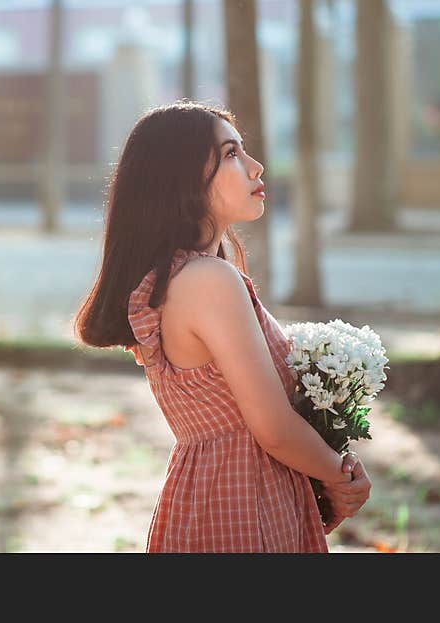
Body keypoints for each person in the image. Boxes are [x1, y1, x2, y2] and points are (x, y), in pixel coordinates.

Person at [73, 101, 372, 552]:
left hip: (215, 494)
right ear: (184, 177)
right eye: (231, 154)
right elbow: (271, 427)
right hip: (239, 501)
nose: (256, 167)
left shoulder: (182, 277)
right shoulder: (207, 281)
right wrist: (339, 474)